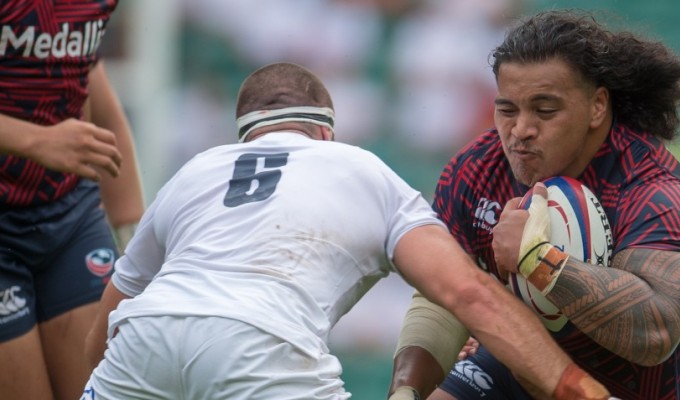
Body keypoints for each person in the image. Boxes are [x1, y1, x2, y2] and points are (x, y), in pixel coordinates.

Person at [82, 62, 612, 400]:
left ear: (245, 136)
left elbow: (111, 312)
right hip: (261, 345)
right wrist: (575, 388)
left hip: (142, 340)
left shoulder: (197, 170)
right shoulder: (358, 168)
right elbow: (468, 292)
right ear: (325, 132)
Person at [388, 9, 680, 400]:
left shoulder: (650, 188)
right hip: (519, 361)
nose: (520, 131)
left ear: (597, 106)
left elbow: (655, 333)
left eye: (545, 110)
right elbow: (443, 295)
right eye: (507, 110)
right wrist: (406, 389)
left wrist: (536, 259)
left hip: (626, 387)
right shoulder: (476, 171)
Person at [0, 2, 145, 399]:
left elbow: (94, 94)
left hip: (69, 212)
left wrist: (136, 241)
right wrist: (38, 140)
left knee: (106, 390)